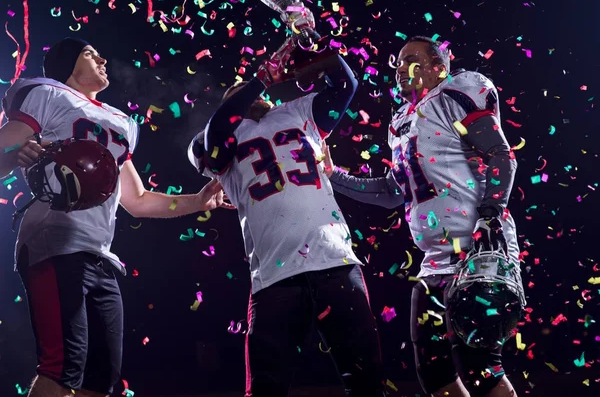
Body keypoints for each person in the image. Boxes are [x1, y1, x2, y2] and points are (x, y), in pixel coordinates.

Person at [0, 38, 233, 397]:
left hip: (99, 253)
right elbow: (3, 151)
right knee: (62, 370)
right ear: (68, 64)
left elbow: (136, 200)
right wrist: (16, 154)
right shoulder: (48, 94)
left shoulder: (119, 122)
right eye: (91, 53)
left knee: (101, 379)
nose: (103, 58)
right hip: (54, 240)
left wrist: (198, 201)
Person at [323, 36, 522, 397]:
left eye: (410, 59)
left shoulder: (455, 95)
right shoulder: (400, 123)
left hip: (477, 251)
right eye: (397, 61)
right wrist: (333, 175)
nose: (399, 67)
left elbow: (501, 154)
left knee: (482, 369)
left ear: (438, 67)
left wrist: (490, 214)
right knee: (434, 373)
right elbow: (391, 191)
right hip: (435, 261)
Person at [188, 32, 385, 396]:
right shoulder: (212, 137)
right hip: (275, 276)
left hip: (335, 261)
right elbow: (217, 136)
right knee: (266, 388)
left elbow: (346, 82)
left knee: (367, 380)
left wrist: (307, 52)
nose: (254, 95)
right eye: (239, 92)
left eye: (255, 91)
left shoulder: (296, 111)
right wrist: (259, 78)